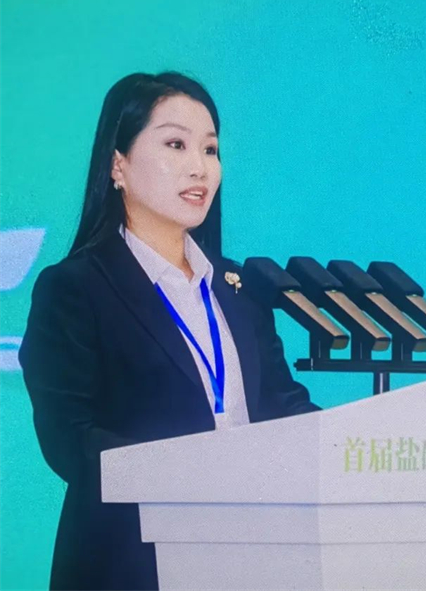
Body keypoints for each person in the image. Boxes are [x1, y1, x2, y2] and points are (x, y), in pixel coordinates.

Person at [18, 71, 320, 591]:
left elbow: (281, 403)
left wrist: (348, 447)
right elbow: (69, 437)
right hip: (131, 562)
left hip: (252, 556)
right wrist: (190, 476)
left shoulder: (239, 287)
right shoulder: (75, 287)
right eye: (176, 144)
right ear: (118, 164)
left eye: (210, 149)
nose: (199, 167)